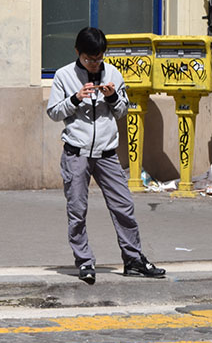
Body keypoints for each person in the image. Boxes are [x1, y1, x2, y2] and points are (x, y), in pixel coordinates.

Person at [46, 27, 165, 285]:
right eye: (89, 59)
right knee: (77, 210)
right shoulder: (64, 75)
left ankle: (133, 260)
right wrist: (75, 99)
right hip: (76, 152)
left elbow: (122, 111)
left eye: (99, 58)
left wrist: (112, 98)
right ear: (78, 53)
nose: (94, 64)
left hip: (107, 153)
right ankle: (85, 261)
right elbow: (54, 112)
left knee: (124, 206)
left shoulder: (113, 73)